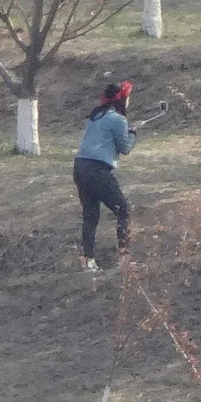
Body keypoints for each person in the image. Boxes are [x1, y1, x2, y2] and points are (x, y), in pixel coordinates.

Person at [74, 80, 138, 271]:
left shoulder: (95, 116)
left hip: (80, 167)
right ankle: (125, 260)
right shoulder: (119, 120)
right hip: (98, 170)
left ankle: (89, 262)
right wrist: (133, 133)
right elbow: (125, 148)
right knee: (123, 210)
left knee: (90, 215)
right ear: (122, 100)